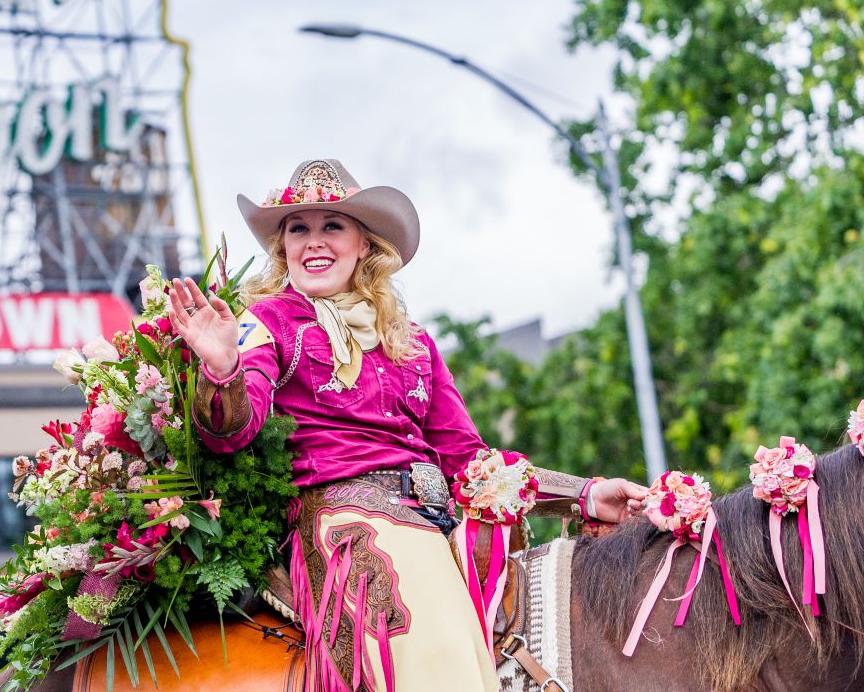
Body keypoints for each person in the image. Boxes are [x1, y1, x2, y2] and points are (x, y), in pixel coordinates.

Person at [167, 159, 645, 692]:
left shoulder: (412, 340)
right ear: (283, 247)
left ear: (364, 244)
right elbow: (232, 430)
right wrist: (223, 368)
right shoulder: (267, 322)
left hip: (436, 524)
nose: (314, 242)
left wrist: (585, 494)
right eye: (298, 228)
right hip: (345, 519)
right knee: (436, 658)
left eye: (332, 226)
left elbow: (471, 464)